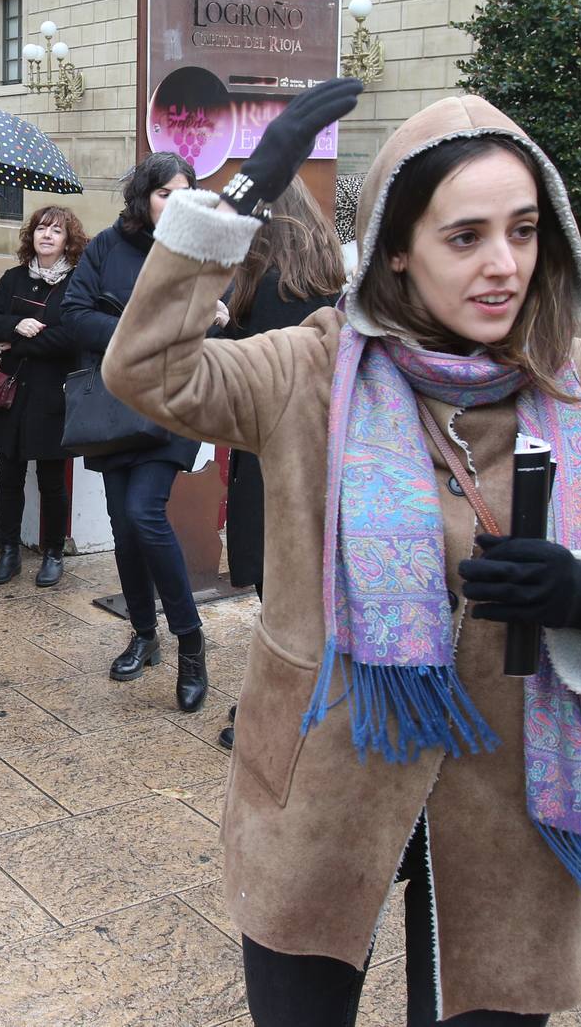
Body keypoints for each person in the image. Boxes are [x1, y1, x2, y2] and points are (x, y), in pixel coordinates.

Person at [103, 81, 581, 1025]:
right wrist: (241, 200)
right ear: (396, 252)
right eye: (463, 238)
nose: (502, 264)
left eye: (523, 230)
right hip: (323, 776)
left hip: (513, 796)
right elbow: (149, 370)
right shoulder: (312, 367)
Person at [59, 152, 225, 713]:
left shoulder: (199, 253)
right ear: (144, 199)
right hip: (115, 408)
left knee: (144, 514)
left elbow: (213, 324)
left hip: (171, 403)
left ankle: (190, 641)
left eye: (185, 195)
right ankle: (143, 634)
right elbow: (75, 313)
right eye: (163, 195)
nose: (174, 205)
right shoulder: (108, 247)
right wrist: (137, 332)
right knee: (125, 528)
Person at [218, 178, 346, 748]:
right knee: (312, 590)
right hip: (327, 459)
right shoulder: (330, 283)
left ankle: (283, 706)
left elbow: (252, 382)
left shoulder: (267, 288)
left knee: (281, 591)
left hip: (275, 460)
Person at [0, 205, 86, 588]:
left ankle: (53, 553)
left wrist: (19, 342)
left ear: (68, 240)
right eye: (41, 228)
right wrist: (15, 324)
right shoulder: (14, 278)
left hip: (54, 394)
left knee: (53, 479)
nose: (47, 235)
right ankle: (9, 551)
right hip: (14, 393)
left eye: (57, 230)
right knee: (9, 475)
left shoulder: (77, 282)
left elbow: (73, 335)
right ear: (31, 236)